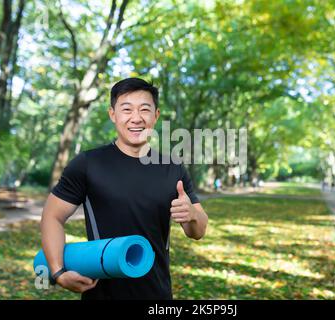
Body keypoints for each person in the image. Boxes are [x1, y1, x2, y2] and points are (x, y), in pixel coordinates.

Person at [39, 78, 208, 300]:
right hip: (101, 295)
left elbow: (198, 231)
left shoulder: (173, 169)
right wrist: (58, 271)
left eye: (145, 110)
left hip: (157, 294)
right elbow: (52, 216)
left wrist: (192, 214)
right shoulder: (88, 164)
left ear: (155, 116)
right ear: (113, 115)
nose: (136, 118)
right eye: (126, 109)